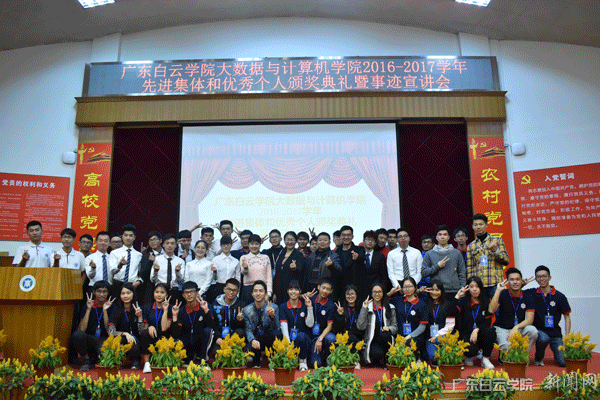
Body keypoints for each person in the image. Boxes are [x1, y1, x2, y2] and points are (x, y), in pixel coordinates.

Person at [524, 265, 570, 367]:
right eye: (538, 277)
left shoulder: (559, 296)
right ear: (536, 279)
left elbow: (567, 317)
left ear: (549, 278)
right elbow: (517, 291)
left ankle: (558, 356)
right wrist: (523, 284)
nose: (541, 279)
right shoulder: (532, 293)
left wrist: (567, 337)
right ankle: (538, 358)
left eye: (544, 276)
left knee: (563, 362)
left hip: (555, 333)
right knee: (543, 338)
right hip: (540, 331)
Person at [489, 267, 538, 362]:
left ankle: (522, 356)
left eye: (517, 279)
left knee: (533, 330)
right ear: (507, 282)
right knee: (506, 348)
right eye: (512, 280)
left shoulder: (528, 296)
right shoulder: (503, 293)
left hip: (518, 328)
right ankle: (505, 356)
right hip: (502, 328)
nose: (515, 282)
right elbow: (491, 310)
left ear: (521, 281)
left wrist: (516, 327)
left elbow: (530, 320)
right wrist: (498, 291)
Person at [454, 276, 496, 369]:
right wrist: (457, 297)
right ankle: (468, 356)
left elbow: (488, 322)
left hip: (479, 334)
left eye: (477, 286)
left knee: (491, 331)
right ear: (468, 288)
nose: (474, 289)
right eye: (471, 287)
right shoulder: (463, 301)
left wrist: (477, 330)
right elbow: (451, 313)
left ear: (480, 288)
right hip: (465, 335)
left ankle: (485, 358)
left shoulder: (485, 301)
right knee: (469, 350)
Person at [71, 280, 113, 371]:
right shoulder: (87, 305)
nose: (102, 294)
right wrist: (88, 309)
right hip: (90, 338)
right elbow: (82, 329)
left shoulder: (112, 307)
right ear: (94, 292)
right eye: (99, 291)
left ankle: (95, 358)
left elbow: (109, 330)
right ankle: (86, 359)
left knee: (103, 353)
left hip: (104, 339)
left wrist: (105, 311)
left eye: (104, 292)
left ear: (108, 293)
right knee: (77, 335)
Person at [466, 213, 510, 299]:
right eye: (476, 225)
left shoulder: (497, 241)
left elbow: (506, 261)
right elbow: (470, 268)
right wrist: (471, 285)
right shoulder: (471, 246)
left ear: (486, 225)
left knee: (498, 307)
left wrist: (495, 251)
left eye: (481, 224)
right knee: (482, 307)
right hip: (479, 286)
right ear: (472, 226)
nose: (478, 227)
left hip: (495, 283)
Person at [171, 281, 215, 365]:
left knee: (208, 331)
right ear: (183, 295)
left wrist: (206, 311)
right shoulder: (181, 310)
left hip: (200, 340)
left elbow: (212, 326)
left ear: (197, 293)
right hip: (187, 341)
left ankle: (203, 359)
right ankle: (189, 357)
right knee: (175, 342)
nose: (189, 294)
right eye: (186, 292)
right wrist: (175, 317)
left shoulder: (205, 305)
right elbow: (176, 334)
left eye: (191, 292)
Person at [357, 282, 398, 367]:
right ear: (371, 294)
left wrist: (389, 328)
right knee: (377, 354)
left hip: (385, 339)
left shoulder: (390, 307)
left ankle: (388, 360)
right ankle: (378, 358)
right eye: (374, 292)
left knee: (384, 334)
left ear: (383, 293)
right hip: (372, 340)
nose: (377, 294)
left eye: (379, 292)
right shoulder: (368, 307)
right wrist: (364, 308)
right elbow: (360, 327)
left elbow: (395, 328)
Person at [421, 225, 467, 301]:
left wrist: (462, 289)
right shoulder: (429, 254)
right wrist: (437, 266)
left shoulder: (456, 253)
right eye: (440, 235)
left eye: (445, 235)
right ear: (436, 237)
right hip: (436, 291)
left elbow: (462, 272)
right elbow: (424, 272)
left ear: (448, 237)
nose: (442, 237)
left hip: (454, 290)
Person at [388, 277, 428, 360]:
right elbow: (382, 299)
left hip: (415, 336)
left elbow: (422, 326)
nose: (407, 289)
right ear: (402, 289)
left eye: (410, 286)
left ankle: (417, 358)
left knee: (409, 343)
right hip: (399, 336)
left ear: (415, 287)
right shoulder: (398, 301)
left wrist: (408, 337)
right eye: (405, 287)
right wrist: (391, 293)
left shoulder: (422, 304)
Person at [243, 280, 281, 368]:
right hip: (256, 340)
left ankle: (273, 359)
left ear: (265, 293)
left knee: (277, 334)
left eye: (261, 291)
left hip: (268, 339)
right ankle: (256, 361)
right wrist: (252, 340)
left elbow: (277, 328)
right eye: (255, 291)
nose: (258, 293)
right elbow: (248, 329)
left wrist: (272, 317)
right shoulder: (246, 310)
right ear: (252, 294)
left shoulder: (274, 307)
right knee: (250, 344)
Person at [279, 280, 314, 371]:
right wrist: (288, 344)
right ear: (287, 291)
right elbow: (284, 326)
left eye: (296, 289)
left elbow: (310, 324)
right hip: (289, 339)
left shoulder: (304, 305)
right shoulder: (283, 307)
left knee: (301, 336)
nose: (293, 292)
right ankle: (280, 359)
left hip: (302, 339)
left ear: (300, 291)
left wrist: (309, 307)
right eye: (291, 289)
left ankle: (302, 361)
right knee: (276, 334)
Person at [107, 282, 143, 369]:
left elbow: (142, 332)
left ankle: (136, 361)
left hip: (136, 340)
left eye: (128, 293)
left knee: (134, 342)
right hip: (123, 338)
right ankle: (119, 359)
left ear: (133, 294)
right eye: (123, 293)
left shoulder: (139, 309)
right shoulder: (116, 310)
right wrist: (125, 334)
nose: (125, 296)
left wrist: (139, 317)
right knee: (120, 339)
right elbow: (110, 331)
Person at [423, 280, 457, 366]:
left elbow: (450, 325)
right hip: (430, 338)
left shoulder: (448, 304)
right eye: (432, 290)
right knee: (433, 356)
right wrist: (420, 291)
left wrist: (437, 336)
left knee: (445, 347)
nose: (434, 292)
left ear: (442, 291)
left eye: (437, 290)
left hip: (444, 335)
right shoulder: (424, 303)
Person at [140, 283, 172, 373]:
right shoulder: (147, 307)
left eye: (162, 292)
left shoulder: (171, 308)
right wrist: (149, 327)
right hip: (152, 336)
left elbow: (164, 328)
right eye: (156, 292)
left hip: (165, 338)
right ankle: (147, 364)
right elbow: (145, 327)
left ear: (167, 295)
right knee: (144, 333)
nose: (159, 295)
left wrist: (165, 310)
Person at [211, 278, 245, 357]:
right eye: (229, 289)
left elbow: (242, 327)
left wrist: (239, 320)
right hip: (220, 336)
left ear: (238, 292)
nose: (231, 292)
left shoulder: (241, 305)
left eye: (234, 290)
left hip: (233, 337)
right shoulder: (215, 304)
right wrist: (217, 337)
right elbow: (213, 324)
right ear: (224, 289)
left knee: (240, 332)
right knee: (217, 354)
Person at [332, 285, 365, 368]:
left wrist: (364, 309)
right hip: (344, 336)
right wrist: (340, 316)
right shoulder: (341, 308)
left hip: (358, 335)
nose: (350, 296)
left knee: (353, 338)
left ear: (356, 295)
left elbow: (362, 326)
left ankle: (355, 359)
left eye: (352, 294)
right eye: (348, 294)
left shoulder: (361, 307)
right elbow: (337, 328)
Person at [307, 279, 336, 368]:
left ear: (331, 291)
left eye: (328, 289)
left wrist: (320, 339)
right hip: (313, 336)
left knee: (331, 338)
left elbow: (329, 326)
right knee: (316, 364)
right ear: (318, 287)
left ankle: (328, 358)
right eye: (323, 288)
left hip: (324, 335)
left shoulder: (331, 305)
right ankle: (318, 356)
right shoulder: (311, 299)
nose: (325, 291)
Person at [352, 230, 387, 302]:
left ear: (375, 242)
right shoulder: (357, 255)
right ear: (363, 241)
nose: (370, 242)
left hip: (375, 290)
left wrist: (382, 289)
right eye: (368, 239)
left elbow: (383, 275)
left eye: (372, 240)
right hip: (360, 289)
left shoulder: (380, 256)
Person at [110, 224, 143, 297]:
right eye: (126, 235)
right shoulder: (114, 253)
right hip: (118, 284)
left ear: (134, 237)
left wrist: (138, 282)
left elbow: (141, 272)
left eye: (131, 236)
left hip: (132, 285)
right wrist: (120, 265)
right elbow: (112, 271)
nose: (128, 238)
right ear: (122, 237)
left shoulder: (139, 255)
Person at [272, 231, 305, 304]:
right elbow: (277, 274)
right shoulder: (281, 253)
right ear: (284, 241)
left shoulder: (298, 255)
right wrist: (274, 292)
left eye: (292, 240)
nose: (289, 242)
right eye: (287, 239)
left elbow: (301, 271)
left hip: (291, 290)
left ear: (296, 241)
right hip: (279, 290)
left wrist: (295, 268)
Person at [150, 234, 185, 302]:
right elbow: (152, 280)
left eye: (172, 243)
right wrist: (155, 271)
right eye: (167, 243)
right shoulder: (157, 259)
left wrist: (177, 272)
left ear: (175, 245)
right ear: (163, 245)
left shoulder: (180, 261)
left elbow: (180, 280)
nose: (169, 245)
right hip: (160, 290)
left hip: (174, 291)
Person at [240, 234, 272, 305]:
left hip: (262, 289)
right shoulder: (244, 258)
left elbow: (269, 277)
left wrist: (269, 293)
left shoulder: (265, 257)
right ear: (248, 244)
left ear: (260, 245)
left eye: (256, 244)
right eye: (252, 244)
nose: (254, 246)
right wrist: (245, 268)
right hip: (248, 290)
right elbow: (243, 272)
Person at [209, 236, 241, 303]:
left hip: (232, 288)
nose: (226, 247)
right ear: (221, 246)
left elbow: (238, 278)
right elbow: (213, 278)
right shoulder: (215, 260)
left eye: (228, 244)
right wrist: (214, 272)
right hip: (219, 287)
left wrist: (237, 293)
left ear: (231, 245)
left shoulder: (236, 261)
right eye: (223, 245)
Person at [335, 225, 363, 291]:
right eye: (344, 235)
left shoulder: (359, 249)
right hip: (340, 287)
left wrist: (357, 258)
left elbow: (363, 259)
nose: (346, 237)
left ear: (352, 237)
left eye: (348, 235)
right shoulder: (336, 252)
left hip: (356, 287)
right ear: (340, 236)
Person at [139, 231, 164, 304]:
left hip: (166, 285)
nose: (153, 242)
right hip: (150, 288)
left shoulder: (168, 253)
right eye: (150, 240)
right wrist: (150, 262)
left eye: (155, 239)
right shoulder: (146, 256)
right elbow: (143, 275)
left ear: (160, 240)